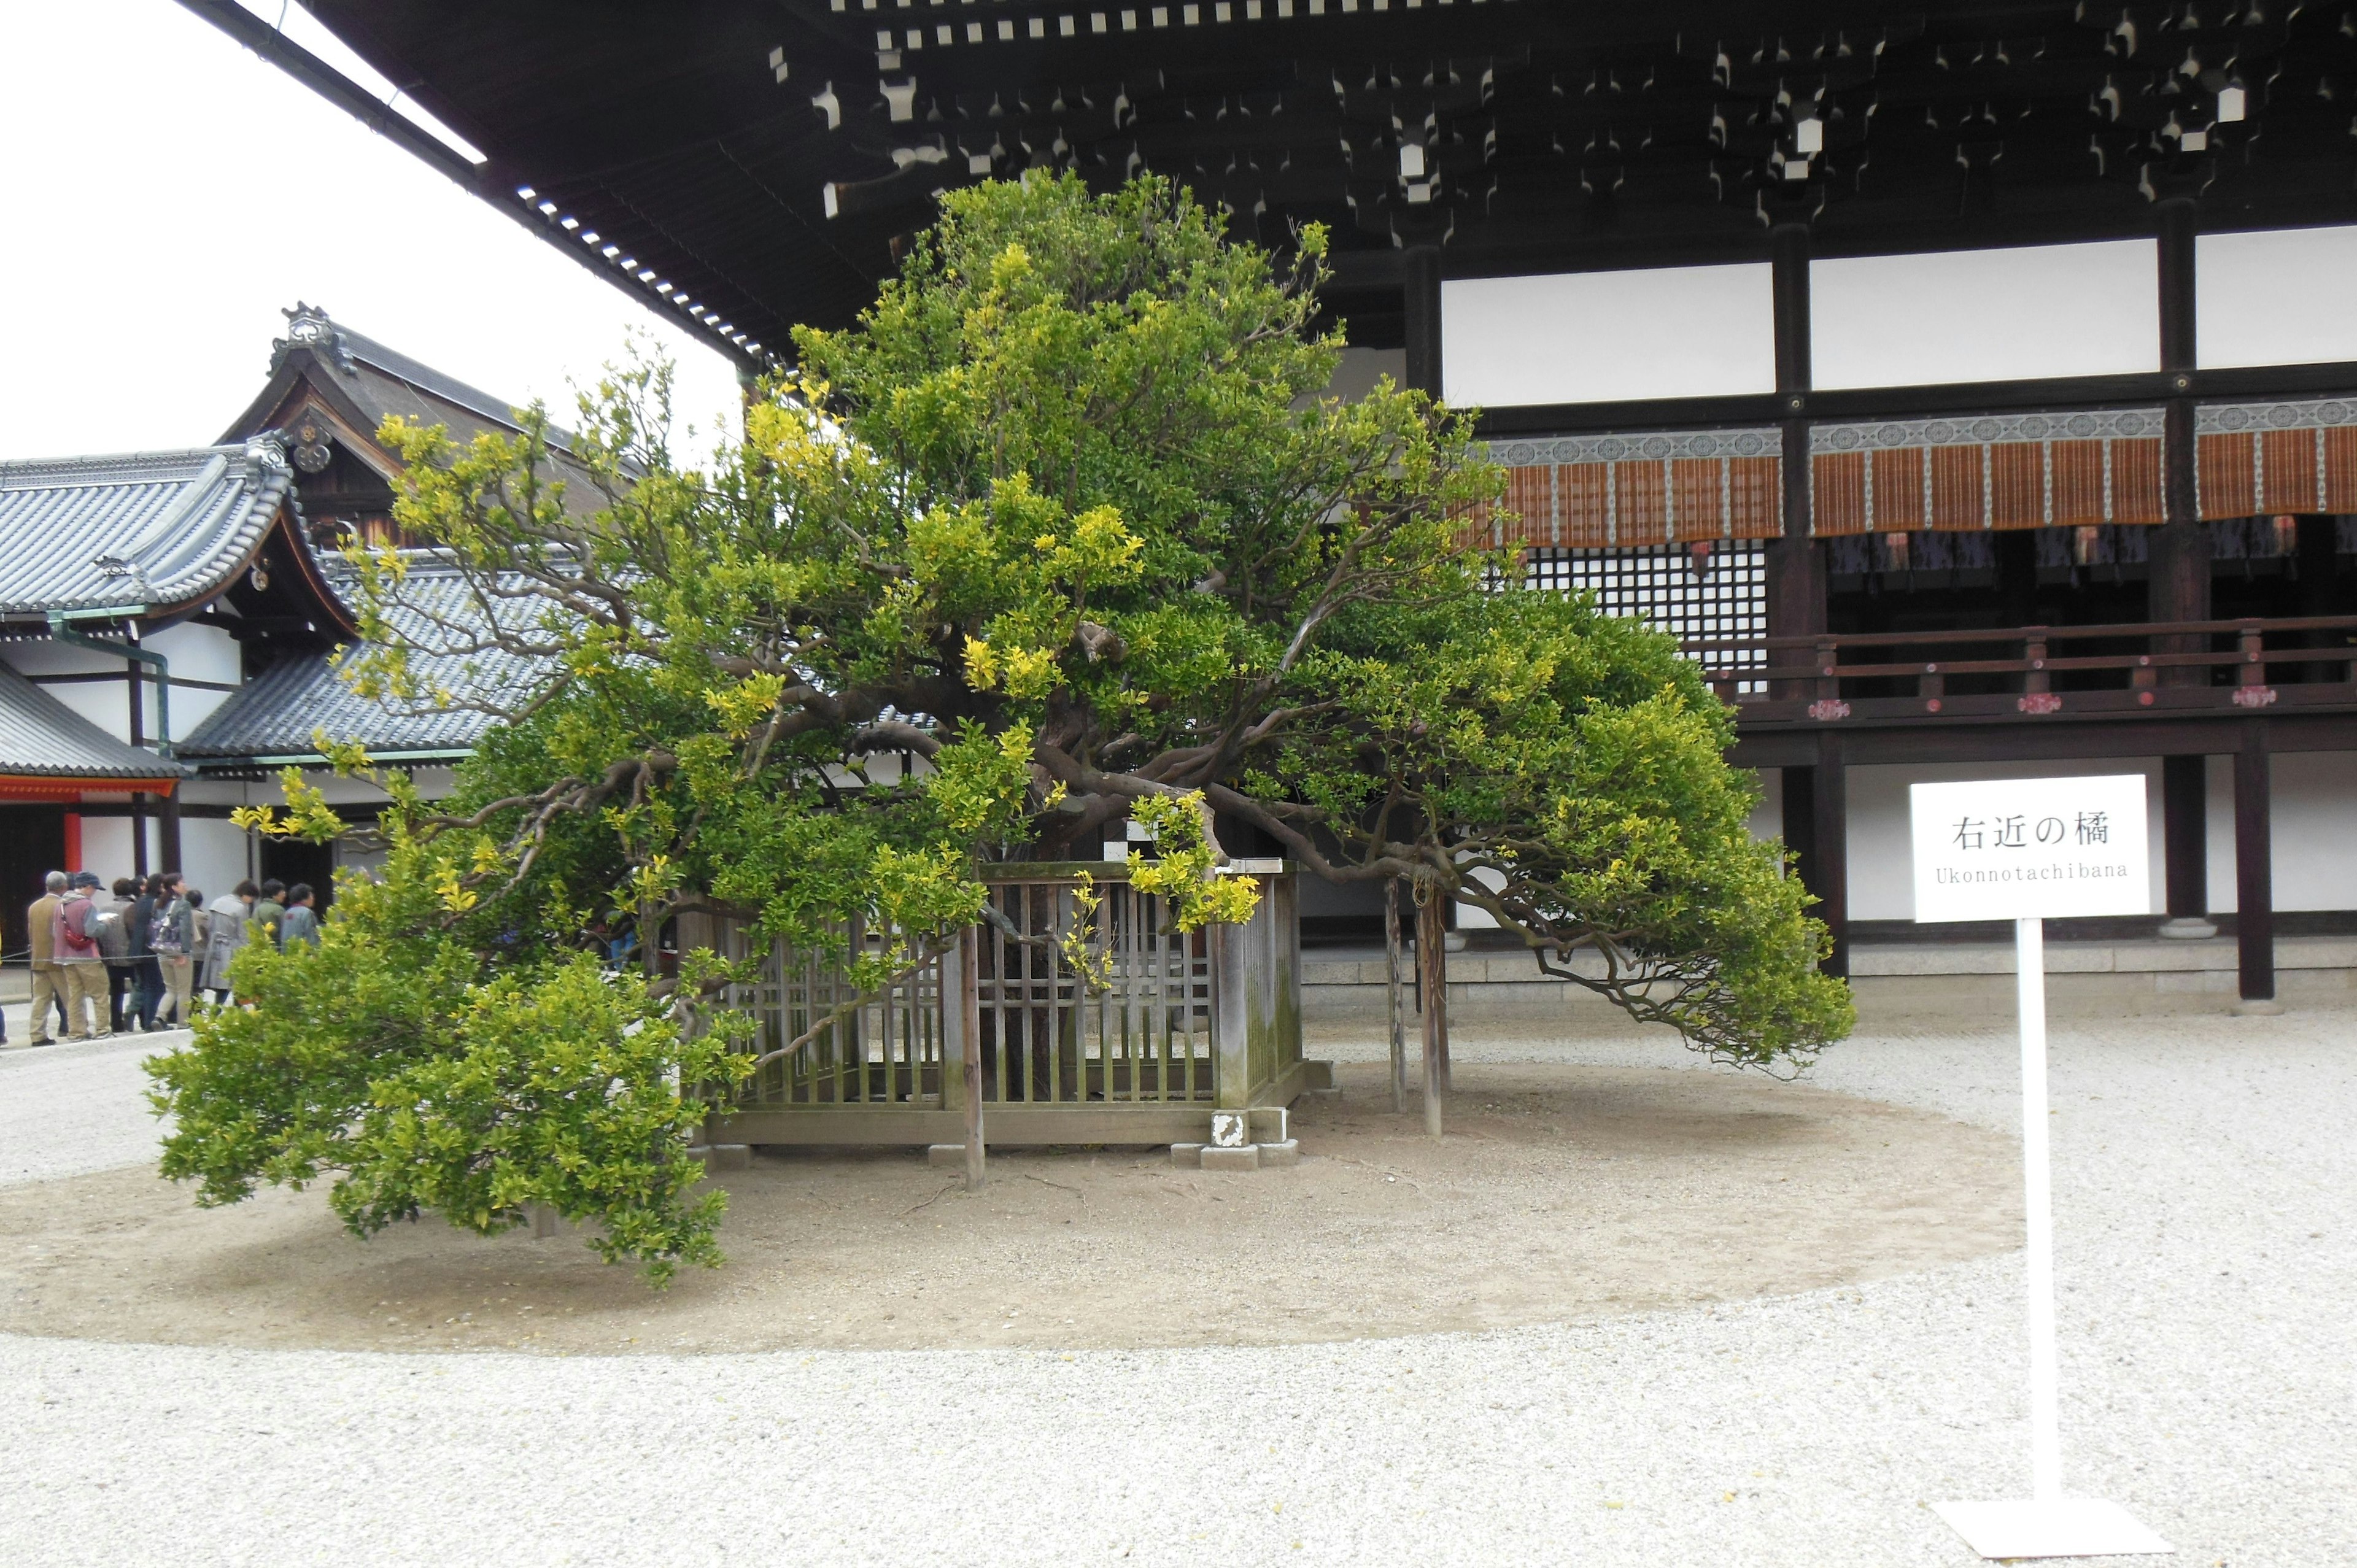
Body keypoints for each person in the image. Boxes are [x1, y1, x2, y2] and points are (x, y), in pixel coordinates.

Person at [53, 871, 110, 1040]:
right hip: (87, 955)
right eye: (94, 889)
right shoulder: (87, 905)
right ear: (88, 887)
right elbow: (92, 930)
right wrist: (105, 924)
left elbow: (55, 931)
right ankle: (102, 1029)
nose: (94, 892)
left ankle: (76, 1031)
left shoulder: (61, 905)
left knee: (75, 996)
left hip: (66, 957)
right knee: (99, 993)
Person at [149, 874, 197, 1029]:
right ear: (174, 887)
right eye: (182, 882)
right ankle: (183, 1023)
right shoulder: (183, 905)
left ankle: (160, 1016)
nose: (185, 885)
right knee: (184, 989)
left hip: (162, 950)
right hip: (178, 951)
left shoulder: (158, 903)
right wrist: (183, 953)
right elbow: (184, 930)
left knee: (170, 989)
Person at [25, 871, 68, 1046]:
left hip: (38, 958)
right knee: (70, 997)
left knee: (41, 999)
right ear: (63, 887)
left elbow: (30, 932)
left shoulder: (34, 906)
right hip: (58, 959)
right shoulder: (62, 905)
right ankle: (78, 1029)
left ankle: (37, 1034)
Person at [199, 880, 257, 1006]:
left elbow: (209, 926)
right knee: (233, 983)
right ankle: (230, 1012)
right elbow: (243, 933)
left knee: (217, 983)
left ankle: (219, 1011)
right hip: (231, 947)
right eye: (252, 898)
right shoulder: (241, 908)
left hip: (214, 945)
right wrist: (247, 953)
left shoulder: (218, 902)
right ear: (246, 895)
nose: (251, 902)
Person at [99, 876, 140, 1032]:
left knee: (116, 992)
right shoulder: (133, 907)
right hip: (130, 955)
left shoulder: (104, 908)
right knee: (139, 987)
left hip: (110, 955)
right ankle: (141, 1018)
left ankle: (116, 1024)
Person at [128, 873, 167, 1032]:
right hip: (150, 948)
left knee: (144, 985)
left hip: (136, 947)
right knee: (155, 986)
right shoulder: (156, 903)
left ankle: (145, 1020)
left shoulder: (140, 901)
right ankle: (150, 1021)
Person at [279, 883, 320, 949]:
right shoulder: (307, 912)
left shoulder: (287, 913)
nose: (313, 899)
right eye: (312, 896)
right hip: (304, 955)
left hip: (287, 953)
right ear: (304, 898)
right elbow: (312, 937)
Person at [250, 879, 287, 952]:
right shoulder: (278, 910)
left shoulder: (257, 909)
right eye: (282, 892)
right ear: (274, 894)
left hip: (259, 948)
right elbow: (286, 931)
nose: (284, 894)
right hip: (276, 949)